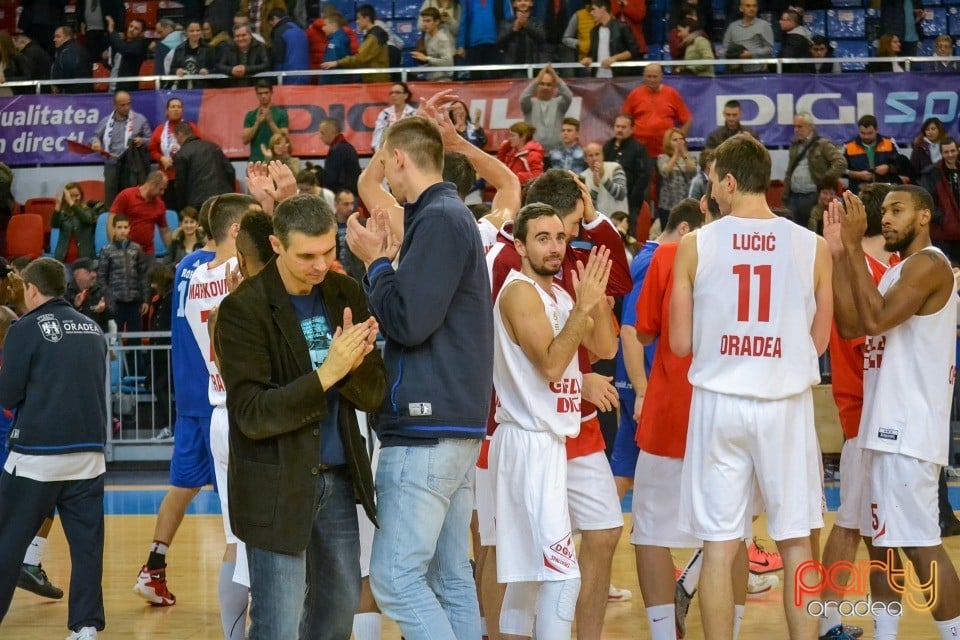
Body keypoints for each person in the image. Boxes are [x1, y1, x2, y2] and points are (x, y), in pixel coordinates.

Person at [670, 135, 833, 640]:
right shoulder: (814, 246)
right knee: (796, 545)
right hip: (783, 404)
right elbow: (821, 339)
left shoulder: (695, 244)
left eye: (715, 180)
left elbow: (678, 343)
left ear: (731, 181)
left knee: (720, 546)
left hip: (719, 404)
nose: (712, 191)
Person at [346, 116, 493, 640]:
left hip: (427, 429)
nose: (384, 176)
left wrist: (377, 266)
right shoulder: (448, 215)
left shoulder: (439, 219)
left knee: (394, 580)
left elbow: (409, 322)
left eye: (385, 163)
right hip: (452, 427)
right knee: (449, 577)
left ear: (400, 159)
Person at [215, 194, 386, 639]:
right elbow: (252, 413)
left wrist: (349, 370)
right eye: (307, 255)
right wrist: (328, 373)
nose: (320, 264)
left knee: (339, 609)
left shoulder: (345, 292)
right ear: (276, 244)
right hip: (276, 483)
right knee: (279, 623)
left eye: (329, 251)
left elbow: (375, 391)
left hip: (337, 477)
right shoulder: (241, 310)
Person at [827, 185, 960, 640]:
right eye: (883, 211)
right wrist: (845, 254)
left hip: (909, 430)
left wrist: (851, 244)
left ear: (924, 217)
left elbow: (877, 318)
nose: (886, 218)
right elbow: (850, 325)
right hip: (882, 431)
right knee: (883, 545)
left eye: (897, 210)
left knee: (923, 548)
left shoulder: (930, 264)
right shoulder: (891, 273)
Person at [489, 204, 616, 640]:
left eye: (560, 237)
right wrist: (582, 309)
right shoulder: (519, 292)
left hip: (549, 443)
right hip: (527, 442)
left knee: (527, 580)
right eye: (542, 238)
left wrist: (593, 304)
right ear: (520, 245)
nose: (555, 247)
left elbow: (605, 348)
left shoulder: (561, 295)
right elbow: (550, 365)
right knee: (563, 577)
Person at [0, 258, 108, 640]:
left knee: (6, 543)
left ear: (31, 289)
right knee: (87, 549)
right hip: (90, 457)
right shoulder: (93, 328)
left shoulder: (25, 328)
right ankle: (86, 626)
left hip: (37, 457)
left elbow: (8, 394)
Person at [816, 182, 896, 640]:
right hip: (863, 415)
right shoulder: (846, 262)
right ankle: (828, 622)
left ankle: (881, 628)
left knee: (881, 535)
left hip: (896, 419)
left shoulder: (903, 265)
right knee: (850, 527)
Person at [132, 198, 217, 608]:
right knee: (244, 501)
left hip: (188, 397)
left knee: (181, 488)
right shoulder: (225, 269)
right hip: (219, 396)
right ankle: (259, 582)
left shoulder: (185, 266)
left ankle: (153, 567)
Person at [182, 195, 252, 640]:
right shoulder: (240, 275)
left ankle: (233, 635)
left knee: (235, 540)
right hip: (250, 417)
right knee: (268, 544)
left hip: (220, 414)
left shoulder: (195, 280)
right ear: (235, 231)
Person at [783, 112, 847, 230]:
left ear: (810, 127)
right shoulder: (795, 145)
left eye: (800, 126)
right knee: (791, 229)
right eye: (794, 126)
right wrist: (785, 193)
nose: (796, 130)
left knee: (807, 230)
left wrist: (826, 180)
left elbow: (840, 162)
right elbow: (790, 170)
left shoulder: (822, 144)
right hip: (793, 195)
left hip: (811, 195)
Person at [90, 91, 152, 207]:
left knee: (132, 200)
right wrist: (96, 142)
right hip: (112, 164)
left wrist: (142, 141)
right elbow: (94, 136)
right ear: (115, 105)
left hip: (132, 167)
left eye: (128, 104)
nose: (126, 107)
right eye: (122, 105)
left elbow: (151, 141)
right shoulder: (105, 121)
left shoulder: (140, 119)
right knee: (111, 201)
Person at [622, 63, 692, 157]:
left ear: (661, 77)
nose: (652, 80)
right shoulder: (635, 94)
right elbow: (624, 120)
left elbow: (687, 119)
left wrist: (678, 139)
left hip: (666, 151)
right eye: (649, 76)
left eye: (655, 76)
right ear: (644, 77)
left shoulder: (671, 93)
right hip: (640, 150)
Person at [97, 214, 150, 332]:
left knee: (135, 338)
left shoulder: (137, 249)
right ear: (114, 229)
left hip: (134, 301)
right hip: (116, 303)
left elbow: (143, 276)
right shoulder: (107, 250)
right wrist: (108, 300)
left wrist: (146, 299)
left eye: (125, 227)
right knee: (115, 338)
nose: (122, 230)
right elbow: (101, 278)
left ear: (129, 228)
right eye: (119, 227)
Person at [149, 97, 201, 212]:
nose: (176, 109)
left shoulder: (191, 128)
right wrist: (161, 158)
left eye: (179, 107)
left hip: (187, 177)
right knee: (169, 210)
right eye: (173, 107)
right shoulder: (160, 129)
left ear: (182, 110)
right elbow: (152, 150)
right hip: (167, 178)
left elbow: (199, 147)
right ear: (167, 111)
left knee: (187, 210)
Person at [173, 123, 237, 211]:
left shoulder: (181, 154)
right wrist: (229, 192)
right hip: (223, 199)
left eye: (175, 138)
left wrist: (182, 208)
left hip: (199, 204)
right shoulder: (213, 146)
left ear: (179, 134)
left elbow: (180, 184)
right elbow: (230, 170)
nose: (177, 141)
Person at [320, 5, 390, 83]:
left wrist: (337, 63)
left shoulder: (373, 37)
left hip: (375, 81)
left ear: (366, 18)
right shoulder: (374, 35)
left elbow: (359, 58)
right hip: (376, 80)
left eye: (359, 18)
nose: (357, 21)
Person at [603, 113, 651, 229]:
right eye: (617, 126)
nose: (619, 130)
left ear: (632, 129)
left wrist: (631, 198)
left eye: (623, 127)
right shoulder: (607, 147)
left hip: (630, 203)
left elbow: (644, 176)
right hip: (608, 202)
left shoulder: (639, 149)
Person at [109, 171, 172, 256]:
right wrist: (115, 247)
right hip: (126, 251)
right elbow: (112, 220)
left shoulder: (160, 204)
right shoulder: (126, 195)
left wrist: (173, 252)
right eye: (161, 189)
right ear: (152, 184)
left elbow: (165, 231)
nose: (162, 193)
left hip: (147, 253)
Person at [843, 115, 902, 195]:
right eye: (863, 133)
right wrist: (856, 174)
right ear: (858, 130)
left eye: (870, 133)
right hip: (859, 192)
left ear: (877, 129)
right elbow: (840, 170)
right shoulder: (848, 146)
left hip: (886, 192)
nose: (866, 136)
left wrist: (888, 168)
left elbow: (902, 165)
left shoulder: (890, 143)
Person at [520, 64, 572, 153]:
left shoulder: (559, 104)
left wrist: (555, 77)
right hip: (533, 152)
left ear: (554, 87)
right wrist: (537, 80)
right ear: (537, 86)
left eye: (549, 84)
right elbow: (523, 98)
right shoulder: (529, 104)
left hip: (556, 153)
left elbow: (568, 96)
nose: (545, 87)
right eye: (542, 83)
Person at [924, 137, 960, 264]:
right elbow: (927, 201)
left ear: (958, 150)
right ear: (941, 153)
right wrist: (944, 220)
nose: (950, 155)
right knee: (941, 266)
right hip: (941, 232)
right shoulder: (931, 173)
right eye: (946, 152)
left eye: (953, 151)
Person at [579, 0, 638, 78]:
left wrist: (614, 58)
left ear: (603, 8)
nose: (591, 13)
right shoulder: (593, 31)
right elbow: (591, 54)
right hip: (597, 77)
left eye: (593, 9)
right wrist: (588, 59)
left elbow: (633, 50)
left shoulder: (622, 28)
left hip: (618, 78)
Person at [457, 0, 514, 74]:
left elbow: (509, 20)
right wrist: (461, 45)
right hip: (474, 45)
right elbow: (464, 19)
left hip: (496, 44)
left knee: (495, 81)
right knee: (476, 81)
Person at [656, 128, 697, 229]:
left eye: (681, 139)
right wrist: (675, 155)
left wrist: (684, 154)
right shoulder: (663, 158)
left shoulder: (691, 157)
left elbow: (693, 171)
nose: (679, 142)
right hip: (668, 204)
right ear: (668, 142)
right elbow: (665, 172)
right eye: (675, 140)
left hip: (686, 203)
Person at [242, 80, 289, 163]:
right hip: (256, 161)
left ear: (271, 93)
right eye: (260, 94)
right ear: (256, 95)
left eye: (266, 93)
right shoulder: (250, 115)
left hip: (276, 161)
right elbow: (245, 140)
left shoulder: (281, 114)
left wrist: (270, 121)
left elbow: (284, 139)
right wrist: (257, 123)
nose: (263, 96)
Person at [52, 182, 100, 263]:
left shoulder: (88, 211)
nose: (74, 199)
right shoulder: (63, 213)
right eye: (71, 196)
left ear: (81, 195)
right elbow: (54, 224)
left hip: (85, 260)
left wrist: (71, 203)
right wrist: (58, 205)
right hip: (64, 260)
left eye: (77, 195)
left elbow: (86, 219)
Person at [721, 0, 774, 73]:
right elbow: (725, 48)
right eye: (748, 6)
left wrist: (751, 54)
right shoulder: (732, 26)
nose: (752, 8)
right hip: (735, 71)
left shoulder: (764, 25)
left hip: (757, 71)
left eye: (754, 6)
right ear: (741, 8)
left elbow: (769, 49)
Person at [66, 257, 114, 330]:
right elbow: (62, 317)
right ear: (76, 275)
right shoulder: (65, 292)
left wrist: (104, 310)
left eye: (94, 271)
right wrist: (75, 306)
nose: (94, 275)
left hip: (97, 337)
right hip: (74, 337)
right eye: (88, 272)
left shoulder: (102, 290)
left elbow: (113, 314)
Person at [497, 0, 545, 72]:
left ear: (531, 3)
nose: (523, 3)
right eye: (519, 0)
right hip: (511, 68)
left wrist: (527, 26)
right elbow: (499, 43)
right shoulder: (506, 23)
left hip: (532, 67)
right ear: (514, 4)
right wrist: (513, 30)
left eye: (526, 0)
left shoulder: (537, 23)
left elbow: (542, 39)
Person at [104, 16, 149, 92]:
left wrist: (111, 30)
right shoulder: (122, 44)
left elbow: (124, 49)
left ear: (141, 33)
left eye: (136, 29)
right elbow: (113, 64)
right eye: (131, 26)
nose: (132, 30)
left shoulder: (140, 45)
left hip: (127, 89)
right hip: (112, 87)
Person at [581, 142, 628, 215]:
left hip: (619, 221)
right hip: (598, 221)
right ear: (585, 159)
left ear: (602, 155)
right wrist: (595, 186)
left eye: (597, 154)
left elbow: (621, 195)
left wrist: (603, 178)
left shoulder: (616, 167)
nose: (594, 158)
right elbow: (587, 208)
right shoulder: (582, 177)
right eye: (590, 155)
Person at [318, 118, 361, 196]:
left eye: (322, 133)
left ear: (333, 133)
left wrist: (317, 175)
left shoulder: (337, 150)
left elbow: (330, 178)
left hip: (343, 197)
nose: (320, 136)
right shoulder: (346, 147)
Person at [268, 8, 310, 85]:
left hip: (288, 77)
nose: (272, 27)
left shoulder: (279, 31)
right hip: (305, 74)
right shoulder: (300, 28)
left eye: (271, 24)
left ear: (275, 18)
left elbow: (278, 58)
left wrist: (275, 78)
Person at [372, 83, 418, 152]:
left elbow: (418, 137)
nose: (393, 95)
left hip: (410, 152)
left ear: (406, 95)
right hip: (388, 152)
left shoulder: (414, 114)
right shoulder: (384, 114)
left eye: (397, 92)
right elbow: (377, 137)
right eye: (391, 93)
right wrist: (380, 153)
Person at [412, 7, 455, 80]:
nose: (424, 24)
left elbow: (448, 62)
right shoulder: (427, 36)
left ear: (437, 22)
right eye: (423, 21)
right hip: (431, 78)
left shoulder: (443, 39)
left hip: (443, 80)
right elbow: (432, 60)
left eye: (428, 21)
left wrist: (426, 58)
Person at [170, 22, 216, 87]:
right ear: (186, 33)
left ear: (201, 32)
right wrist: (177, 71)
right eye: (192, 31)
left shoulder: (209, 49)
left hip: (203, 88)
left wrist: (207, 71)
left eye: (198, 30)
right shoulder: (179, 49)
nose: (195, 33)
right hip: (183, 87)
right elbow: (172, 69)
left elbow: (215, 68)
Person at [50, 26, 91, 93]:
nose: (54, 39)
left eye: (58, 36)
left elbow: (68, 73)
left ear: (67, 37)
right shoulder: (72, 48)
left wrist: (58, 85)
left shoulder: (69, 51)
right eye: (54, 37)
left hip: (72, 95)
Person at [911, 117, 948, 181]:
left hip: (946, 180)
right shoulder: (919, 147)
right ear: (924, 132)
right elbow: (914, 171)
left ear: (939, 130)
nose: (930, 132)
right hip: (925, 183)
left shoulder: (947, 144)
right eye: (927, 130)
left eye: (933, 129)